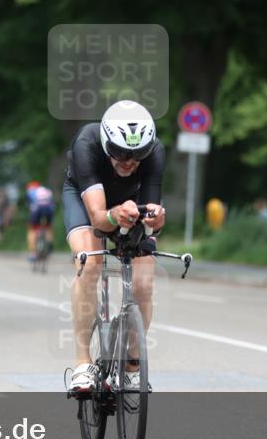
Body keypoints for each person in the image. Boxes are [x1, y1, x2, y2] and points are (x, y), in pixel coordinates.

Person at [63, 100, 166, 393]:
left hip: (131, 201)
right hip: (86, 200)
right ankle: (83, 363)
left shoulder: (156, 152)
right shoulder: (87, 143)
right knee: (89, 264)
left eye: (138, 155)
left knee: (144, 281)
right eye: (120, 153)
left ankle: (132, 368)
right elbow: (98, 218)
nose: (129, 162)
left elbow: (152, 215)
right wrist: (113, 215)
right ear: (107, 143)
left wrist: (156, 220)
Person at [26, 180, 54, 263]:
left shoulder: (30, 192)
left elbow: (30, 205)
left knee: (32, 230)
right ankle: (49, 243)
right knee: (48, 227)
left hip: (37, 209)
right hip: (49, 209)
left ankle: (33, 254)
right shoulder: (46, 190)